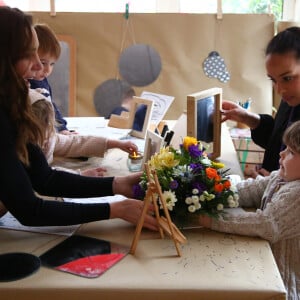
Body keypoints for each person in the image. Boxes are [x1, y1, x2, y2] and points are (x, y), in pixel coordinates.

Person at [0, 6, 157, 230]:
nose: (38, 66)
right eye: (27, 55)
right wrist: (115, 209)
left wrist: (117, 184)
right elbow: (30, 210)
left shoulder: (13, 107)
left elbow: (45, 179)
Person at [199, 120, 300, 299]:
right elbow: (250, 190)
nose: (282, 154)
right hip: (264, 265)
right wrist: (213, 191)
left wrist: (210, 219)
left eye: (291, 152)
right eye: (285, 148)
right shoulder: (282, 177)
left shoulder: (297, 194)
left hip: (282, 282)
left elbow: (266, 224)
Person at [222, 26, 300, 177]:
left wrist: (272, 182)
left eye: (287, 78)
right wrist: (249, 119)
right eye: (273, 80)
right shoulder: (292, 98)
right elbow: (280, 141)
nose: (279, 89)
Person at [30, 89, 138, 176]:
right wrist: (79, 174)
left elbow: (74, 143)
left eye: (49, 127)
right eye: (40, 130)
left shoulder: (48, 138)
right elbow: (45, 176)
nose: (47, 135)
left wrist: (115, 144)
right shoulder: (22, 153)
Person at [28, 23, 72, 135]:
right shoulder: (28, 85)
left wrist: (62, 128)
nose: (47, 69)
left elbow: (51, 106)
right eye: (43, 63)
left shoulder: (42, 80)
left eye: (52, 64)